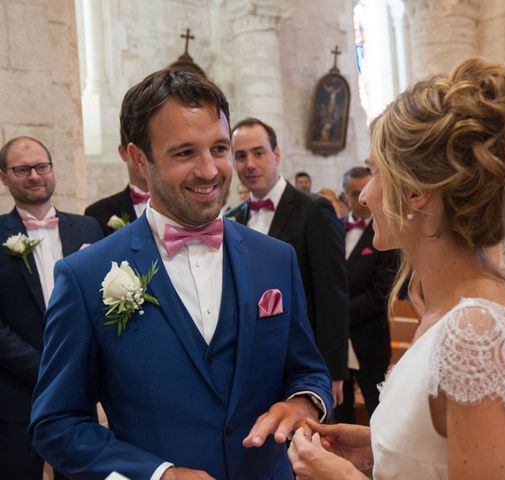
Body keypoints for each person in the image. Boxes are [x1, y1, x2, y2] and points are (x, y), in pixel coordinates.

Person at [288, 58, 505, 479]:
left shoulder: (477, 331)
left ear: (416, 192)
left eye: (375, 173)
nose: (364, 196)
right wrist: (378, 449)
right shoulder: (457, 303)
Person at [29, 69, 332, 480]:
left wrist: (303, 402)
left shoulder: (276, 258)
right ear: (139, 159)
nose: (209, 171)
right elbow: (56, 425)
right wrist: (158, 474)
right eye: (185, 153)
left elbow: (307, 368)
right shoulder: (85, 276)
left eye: (219, 148)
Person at [226, 118, 349, 408]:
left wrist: (331, 370)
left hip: (303, 362)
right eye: (240, 156)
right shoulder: (233, 216)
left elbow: (332, 295)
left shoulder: (313, 210)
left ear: (276, 155)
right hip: (251, 366)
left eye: (258, 153)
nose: (249, 164)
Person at [0, 136, 103, 479]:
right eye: (22, 169)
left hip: (78, 392)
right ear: (4, 177)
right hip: (16, 395)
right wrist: (42, 366)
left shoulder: (88, 228)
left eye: (41, 167)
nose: (34, 175)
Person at [333, 166, 397, 424]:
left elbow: (380, 294)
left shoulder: (385, 233)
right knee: (340, 407)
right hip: (335, 341)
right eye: (354, 192)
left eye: (365, 190)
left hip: (368, 337)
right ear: (344, 196)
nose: (361, 198)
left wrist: (334, 314)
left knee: (377, 406)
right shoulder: (331, 229)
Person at [84, 135, 150, 236]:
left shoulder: (180, 205)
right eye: (139, 153)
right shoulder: (97, 213)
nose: (145, 158)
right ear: (123, 152)